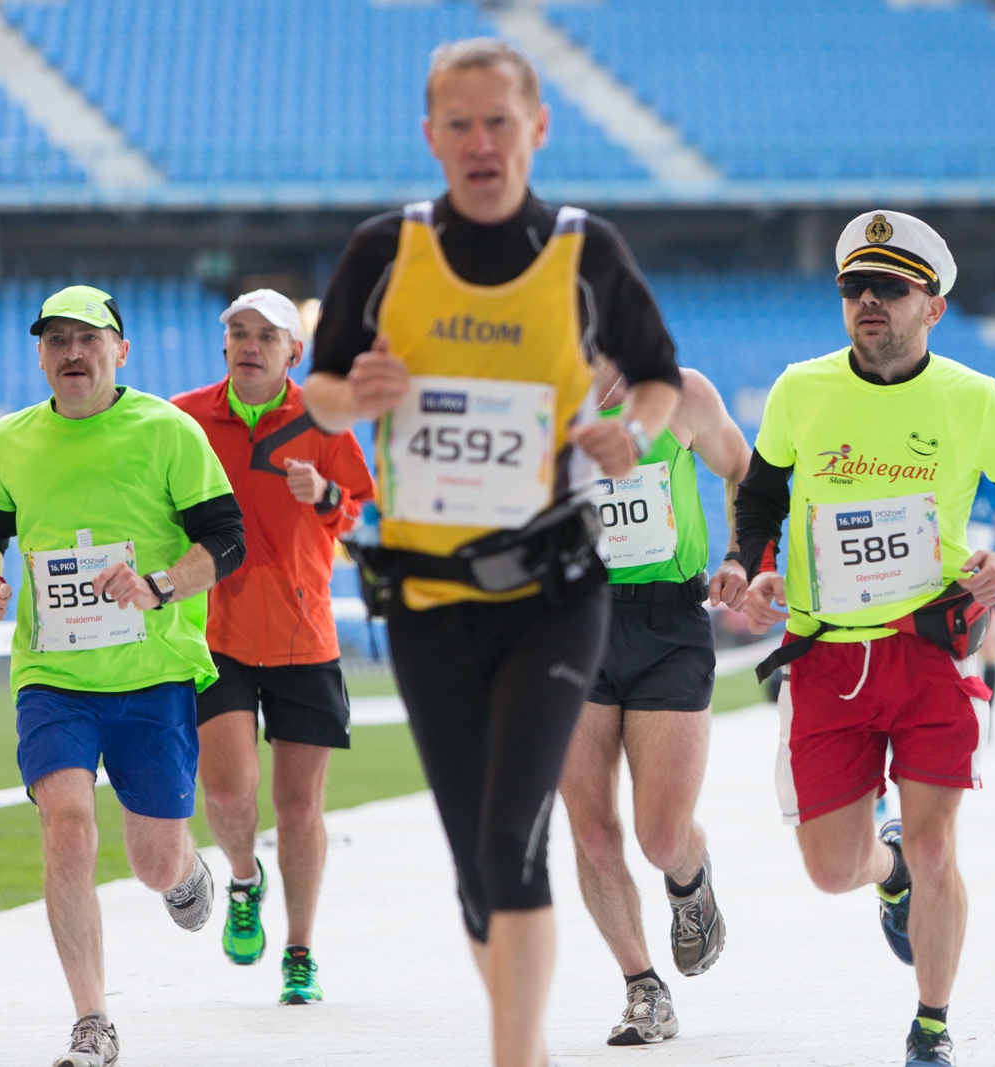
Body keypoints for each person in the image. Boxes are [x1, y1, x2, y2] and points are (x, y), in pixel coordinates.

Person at [301, 39, 681, 1067]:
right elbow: (318, 385)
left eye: (498, 122)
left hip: (552, 591)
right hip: (425, 599)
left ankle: (513, 1053)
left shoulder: (581, 249)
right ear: (430, 137)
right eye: (458, 125)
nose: (480, 143)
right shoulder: (387, 250)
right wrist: (354, 394)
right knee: (478, 858)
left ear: (538, 128)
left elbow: (656, 379)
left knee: (515, 834)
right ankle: (528, 1043)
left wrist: (631, 434)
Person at [734, 209, 995, 1066]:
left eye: (889, 288)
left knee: (936, 841)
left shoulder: (973, 398)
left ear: (934, 306)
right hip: (826, 657)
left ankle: (931, 1023)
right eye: (854, 287)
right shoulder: (799, 390)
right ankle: (889, 878)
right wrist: (755, 562)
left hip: (924, 650)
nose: (868, 301)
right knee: (830, 866)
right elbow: (761, 497)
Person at [0, 285, 246, 1067]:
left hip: (152, 675)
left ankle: (186, 870)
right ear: (39, 354)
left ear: (121, 351)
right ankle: (92, 1020)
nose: (72, 352)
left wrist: (164, 585)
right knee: (67, 825)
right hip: (53, 676)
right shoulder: (12, 440)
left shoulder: (167, 432)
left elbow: (229, 540)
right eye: (57, 340)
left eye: (88, 337)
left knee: (153, 862)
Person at [171, 288, 376, 1004]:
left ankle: (300, 950)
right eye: (238, 332)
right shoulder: (183, 417)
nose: (250, 344)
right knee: (226, 792)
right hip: (215, 633)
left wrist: (323, 494)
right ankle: (244, 880)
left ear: (296, 351)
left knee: (298, 808)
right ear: (223, 344)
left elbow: (352, 510)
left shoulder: (324, 419)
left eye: (267, 334)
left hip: (303, 636)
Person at [558, 357, 750, 1046]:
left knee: (660, 833)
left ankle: (689, 879)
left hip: (668, 624)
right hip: (571, 625)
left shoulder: (683, 393)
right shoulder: (538, 399)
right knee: (590, 829)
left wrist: (740, 556)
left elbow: (744, 469)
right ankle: (643, 987)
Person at [966, 475, 995, 701]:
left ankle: (988, 711)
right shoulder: (952, 481)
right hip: (956, 579)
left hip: (987, 577)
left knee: (989, 643)